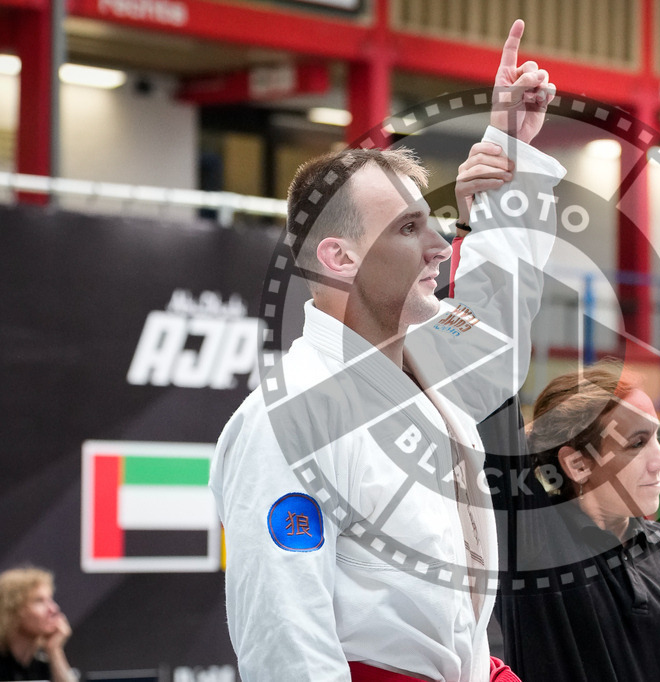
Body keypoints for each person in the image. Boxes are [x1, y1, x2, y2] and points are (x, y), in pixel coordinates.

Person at [210, 18, 564, 682]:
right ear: (339, 257)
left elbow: (499, 336)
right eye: (409, 229)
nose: (438, 247)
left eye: (434, 224)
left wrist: (507, 150)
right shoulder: (289, 422)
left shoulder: (427, 376)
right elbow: (286, 640)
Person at [495, 362, 660, 682]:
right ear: (578, 464)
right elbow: (491, 394)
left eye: (656, 438)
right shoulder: (534, 542)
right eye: (637, 443)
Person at [0, 567, 74, 682]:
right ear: (12, 609)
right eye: (39, 601)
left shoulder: (44, 667)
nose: (53, 609)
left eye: (50, 599)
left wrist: (54, 651)